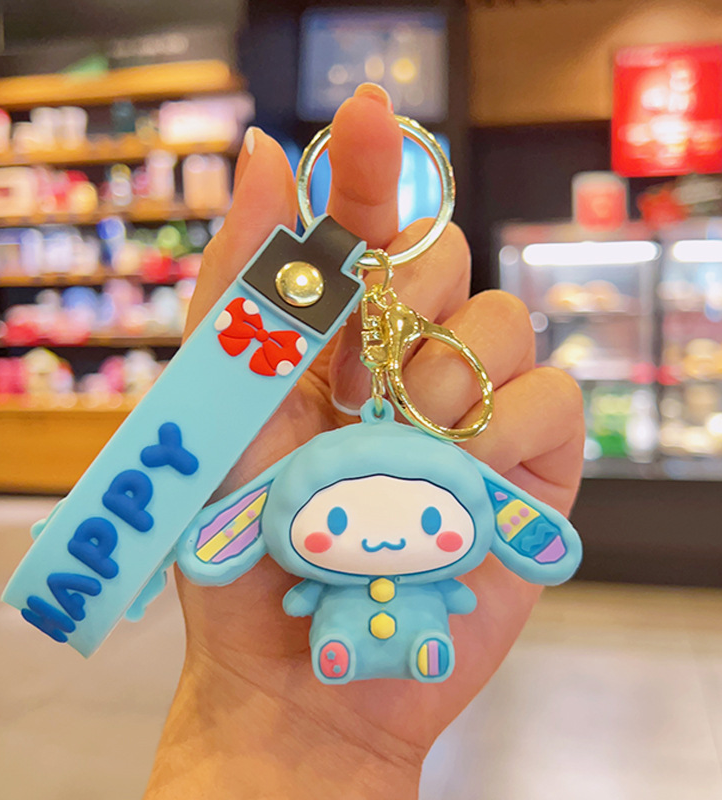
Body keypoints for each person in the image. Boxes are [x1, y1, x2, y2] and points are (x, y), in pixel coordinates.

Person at [144, 83, 584, 799]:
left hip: (410, 630)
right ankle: (350, 650)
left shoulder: (328, 496)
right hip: (324, 645)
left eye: (435, 517)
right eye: (339, 521)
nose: (379, 537)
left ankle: (416, 647)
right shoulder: (292, 499)